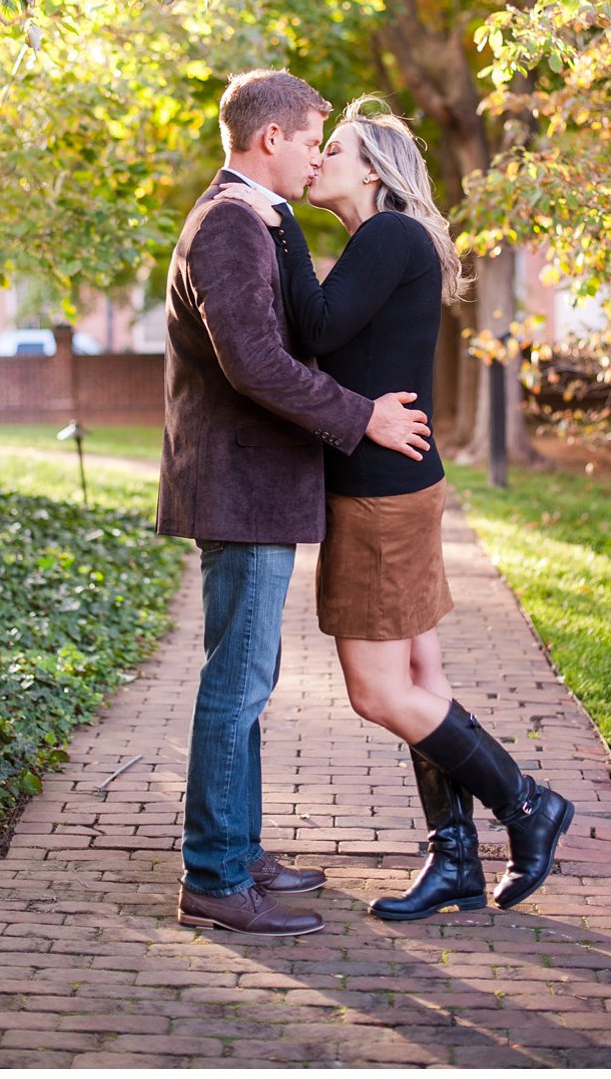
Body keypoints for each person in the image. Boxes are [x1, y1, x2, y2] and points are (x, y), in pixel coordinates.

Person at [220, 98, 574, 922]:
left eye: (331, 149)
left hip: (381, 497)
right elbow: (332, 339)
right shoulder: (379, 243)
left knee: (378, 693)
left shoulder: (385, 236)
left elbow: (313, 325)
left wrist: (276, 220)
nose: (316, 160)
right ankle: (453, 857)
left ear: (371, 170)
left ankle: (527, 807)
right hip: (395, 486)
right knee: (423, 679)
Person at [156, 69, 432, 938]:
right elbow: (257, 365)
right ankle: (214, 874)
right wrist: (364, 418)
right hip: (241, 491)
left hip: (255, 489)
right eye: (312, 138)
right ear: (270, 139)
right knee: (235, 685)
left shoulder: (252, 220)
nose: (317, 155)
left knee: (249, 679)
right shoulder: (230, 224)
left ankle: (240, 851)